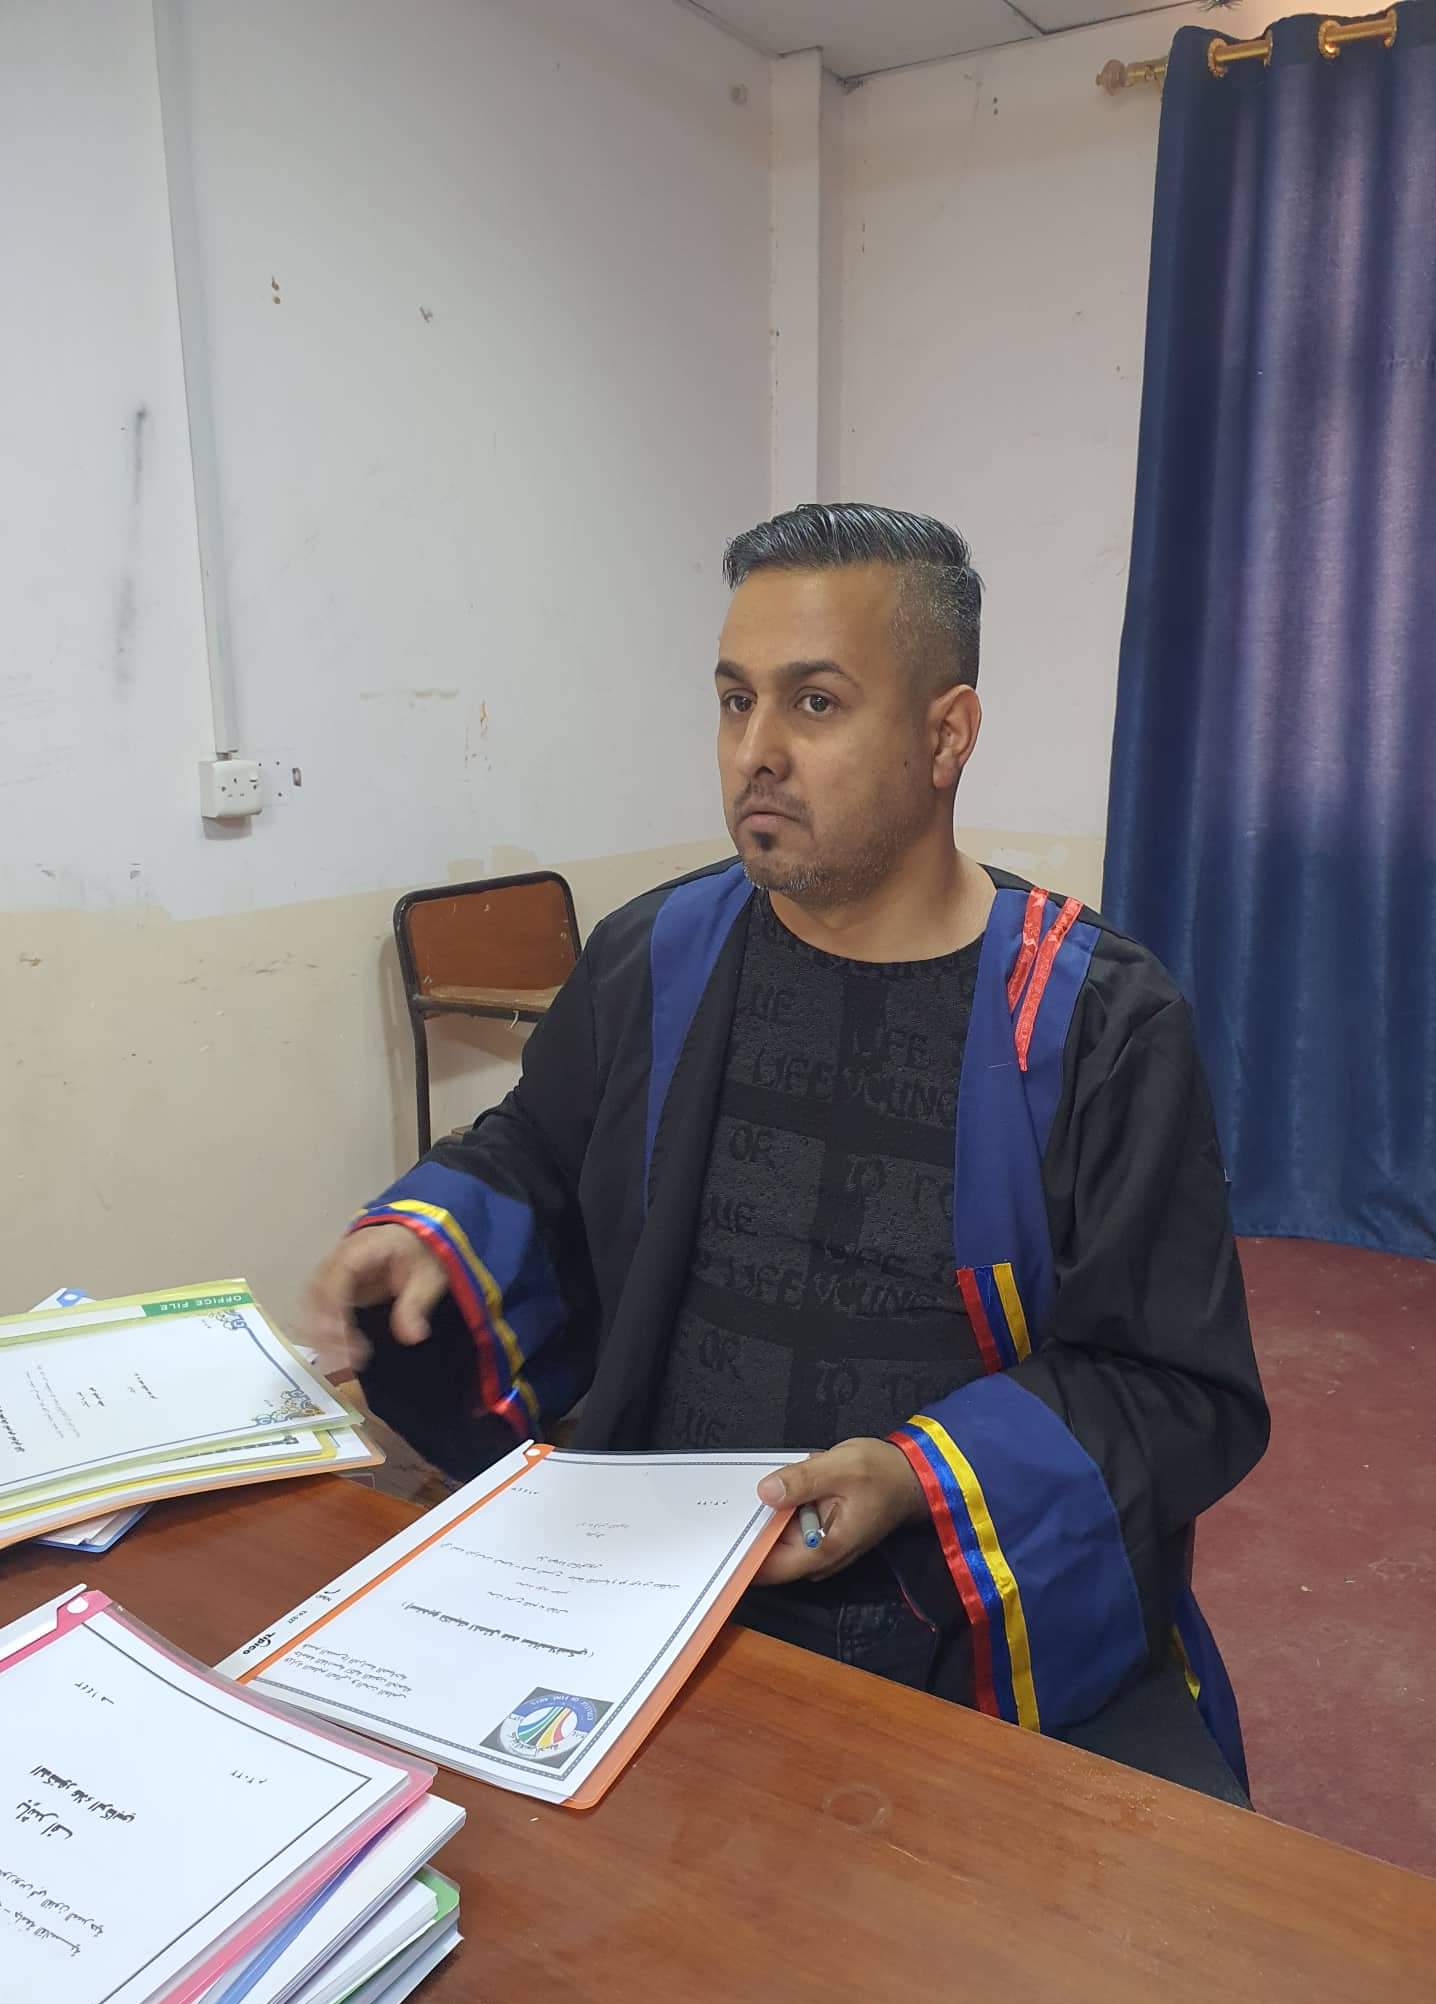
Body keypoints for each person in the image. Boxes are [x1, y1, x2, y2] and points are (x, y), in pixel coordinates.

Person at [306, 503, 1269, 1803]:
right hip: (653, 1587)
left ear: (947, 735)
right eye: (734, 701)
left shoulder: (1094, 1023)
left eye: (814, 704)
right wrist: (427, 1235)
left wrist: (916, 1475)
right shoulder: (658, 956)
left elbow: (1180, 1390)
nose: (755, 752)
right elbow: (536, 1151)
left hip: (969, 1618)